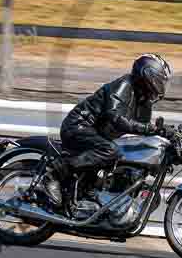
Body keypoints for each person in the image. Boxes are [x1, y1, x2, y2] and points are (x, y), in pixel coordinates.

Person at [48, 54, 173, 206]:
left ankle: (88, 193)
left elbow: (142, 129)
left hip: (98, 134)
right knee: (109, 150)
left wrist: (166, 134)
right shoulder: (124, 85)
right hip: (79, 126)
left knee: (122, 154)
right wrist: (150, 128)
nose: (161, 86)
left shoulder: (143, 100)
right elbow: (116, 117)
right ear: (148, 75)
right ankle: (55, 173)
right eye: (160, 81)